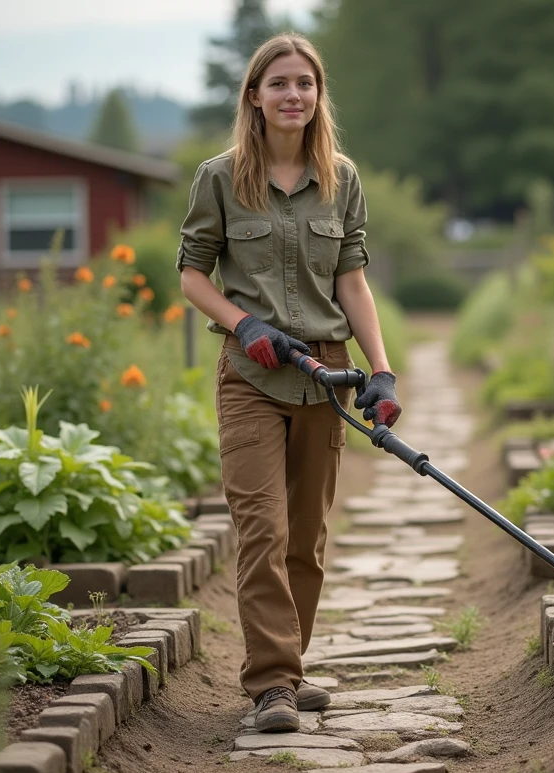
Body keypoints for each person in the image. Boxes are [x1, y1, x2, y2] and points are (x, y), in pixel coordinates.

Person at [175, 33, 401, 733]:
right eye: (280, 83)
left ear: (317, 95)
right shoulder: (219, 177)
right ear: (254, 95)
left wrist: (382, 369)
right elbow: (191, 277)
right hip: (252, 373)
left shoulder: (342, 177)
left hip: (324, 374)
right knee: (262, 528)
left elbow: (353, 283)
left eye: (305, 83)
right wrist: (244, 326)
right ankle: (272, 683)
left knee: (306, 537)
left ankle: (288, 667)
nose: (294, 94)